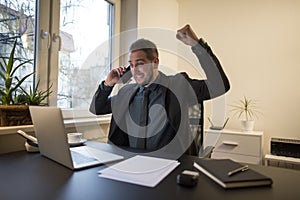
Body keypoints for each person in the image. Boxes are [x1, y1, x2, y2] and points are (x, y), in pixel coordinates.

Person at [90, 24, 230, 156]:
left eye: (140, 64)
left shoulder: (178, 85)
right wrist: (107, 84)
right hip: (130, 165)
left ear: (155, 62)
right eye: (131, 65)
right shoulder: (126, 93)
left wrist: (197, 45)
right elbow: (97, 108)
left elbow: (220, 86)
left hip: (170, 167)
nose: (135, 70)